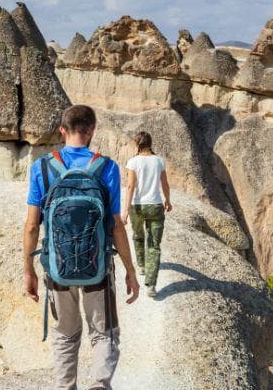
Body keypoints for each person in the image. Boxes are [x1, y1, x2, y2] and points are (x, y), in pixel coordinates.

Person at [23, 105, 140, 390]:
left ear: (62, 130)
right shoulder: (107, 167)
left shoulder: (42, 167)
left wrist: (28, 270)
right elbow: (116, 226)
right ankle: (100, 384)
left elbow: (31, 226)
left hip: (57, 268)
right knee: (104, 333)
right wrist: (130, 270)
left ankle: (66, 387)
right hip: (97, 268)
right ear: (92, 131)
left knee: (64, 335)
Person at [121, 132, 171, 298]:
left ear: (137, 144)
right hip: (155, 205)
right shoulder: (159, 161)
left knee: (138, 235)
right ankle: (151, 285)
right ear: (150, 143)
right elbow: (165, 184)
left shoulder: (133, 162)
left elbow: (130, 186)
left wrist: (125, 210)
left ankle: (141, 265)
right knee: (154, 245)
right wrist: (168, 201)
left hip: (138, 206)